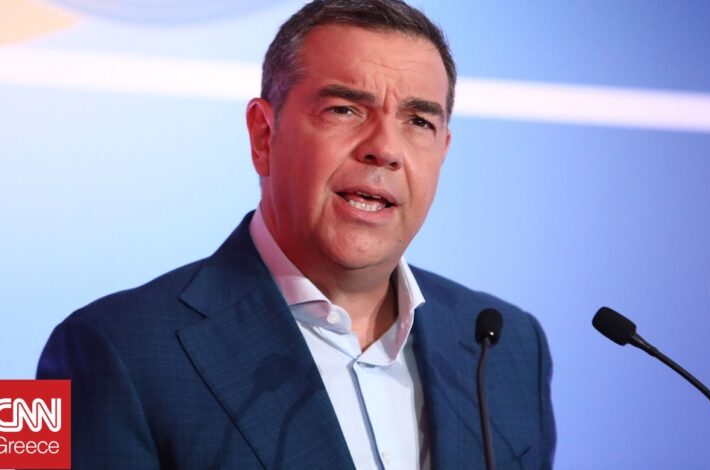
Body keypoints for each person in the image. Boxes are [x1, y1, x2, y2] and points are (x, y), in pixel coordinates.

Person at [37, 1, 555, 468]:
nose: (385, 149)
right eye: (345, 110)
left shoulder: (508, 346)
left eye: (418, 121)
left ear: (443, 151)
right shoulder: (93, 346)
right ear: (264, 136)